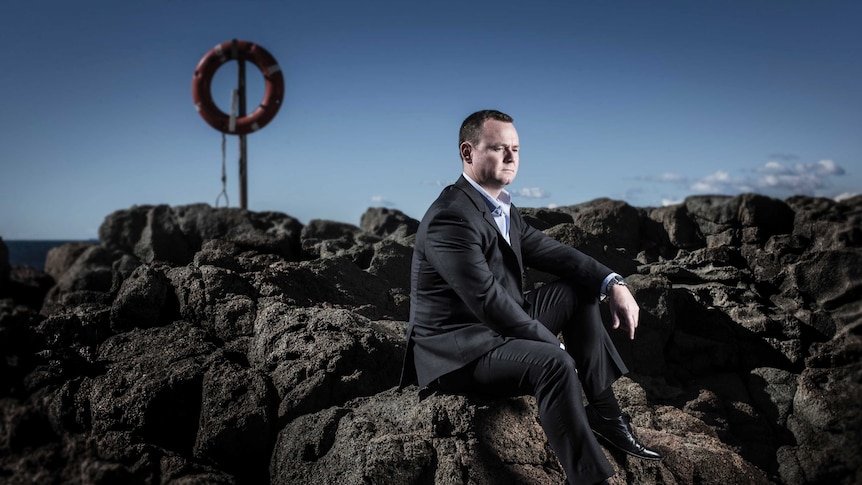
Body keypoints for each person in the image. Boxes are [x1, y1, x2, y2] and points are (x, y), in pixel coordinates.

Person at [399, 109, 662, 484]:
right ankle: (589, 477)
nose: (510, 158)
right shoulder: (450, 218)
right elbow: (488, 301)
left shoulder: (500, 208)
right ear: (467, 153)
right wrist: (553, 346)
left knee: (578, 288)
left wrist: (613, 282)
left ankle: (605, 415)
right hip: (459, 350)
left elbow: (556, 254)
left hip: (497, 329)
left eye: (516, 149)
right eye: (498, 148)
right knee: (553, 364)